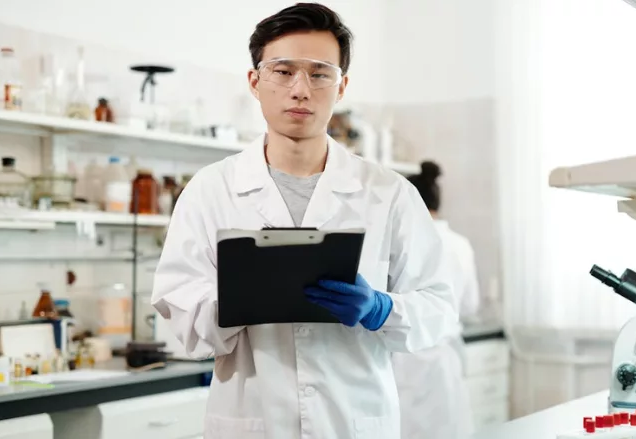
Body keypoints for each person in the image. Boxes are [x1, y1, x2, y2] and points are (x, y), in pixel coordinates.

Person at [150, 4, 458, 439]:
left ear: (342, 86)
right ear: (255, 82)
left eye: (319, 73)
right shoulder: (210, 190)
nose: (300, 89)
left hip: (353, 421)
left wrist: (381, 309)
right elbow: (181, 317)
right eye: (283, 71)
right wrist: (237, 299)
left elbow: (440, 307)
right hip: (251, 420)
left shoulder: (388, 193)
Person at [393, 161, 482, 439]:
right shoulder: (460, 243)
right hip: (445, 358)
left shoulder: (404, 242)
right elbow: (470, 306)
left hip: (408, 359)